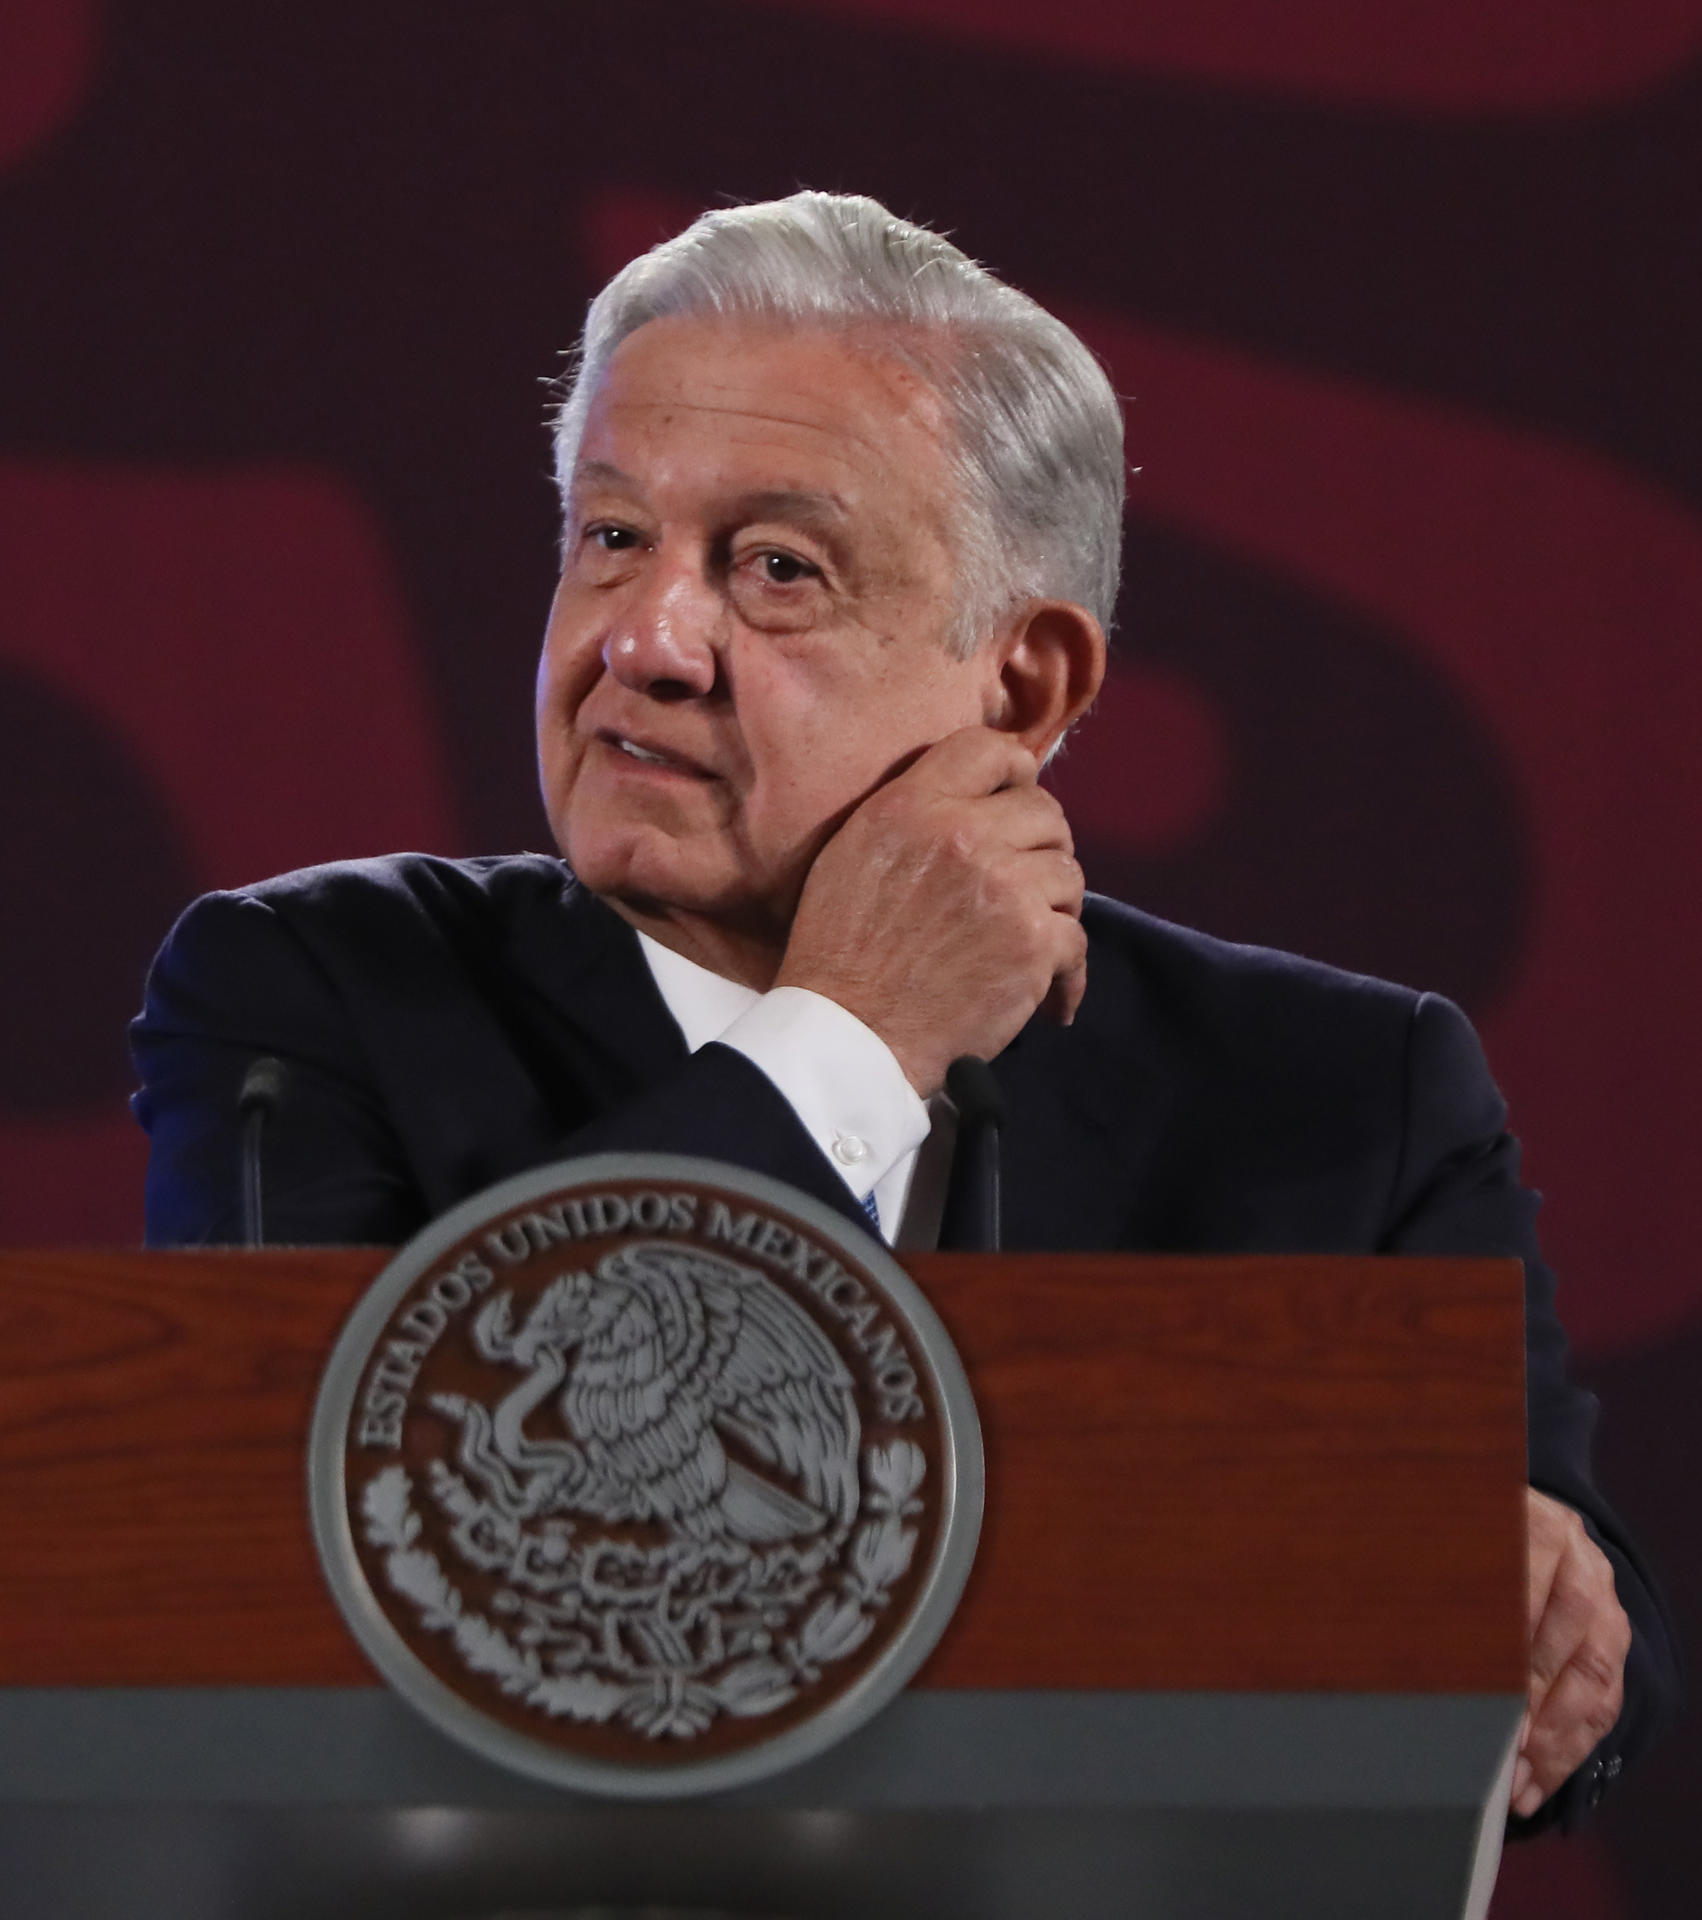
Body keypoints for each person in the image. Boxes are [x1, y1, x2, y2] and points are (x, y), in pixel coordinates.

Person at [131, 190, 1677, 1833]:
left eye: (774, 568)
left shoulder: (1337, 1087)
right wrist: (849, 1037)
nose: (643, 641)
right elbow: (319, 1584)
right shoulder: (312, 997)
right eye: (610, 537)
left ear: (1022, 687)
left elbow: (1598, 1685)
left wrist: (1532, 1608)